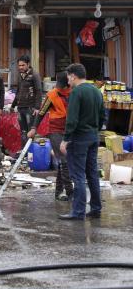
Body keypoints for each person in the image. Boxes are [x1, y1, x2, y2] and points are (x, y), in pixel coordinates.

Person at [59, 63, 105, 220]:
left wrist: (65, 140)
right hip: (93, 137)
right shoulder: (96, 91)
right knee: (92, 174)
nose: (68, 80)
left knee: (77, 175)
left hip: (79, 138)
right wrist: (95, 131)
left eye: (68, 77)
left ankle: (78, 212)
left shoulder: (76, 93)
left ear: (73, 75)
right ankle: (96, 209)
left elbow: (72, 119)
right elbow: (103, 116)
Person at [27, 72, 73, 201]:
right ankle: (70, 192)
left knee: (64, 162)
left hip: (69, 130)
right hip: (55, 131)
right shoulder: (52, 95)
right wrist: (33, 128)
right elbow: (41, 113)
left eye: (62, 86)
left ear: (68, 85)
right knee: (64, 159)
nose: (59, 88)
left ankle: (58, 192)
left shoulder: (73, 92)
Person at [11, 55, 42, 147]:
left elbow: (39, 91)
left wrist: (37, 107)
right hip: (21, 107)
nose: (20, 67)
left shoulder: (34, 75)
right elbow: (18, 91)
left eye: (23, 65)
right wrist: (13, 106)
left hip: (30, 107)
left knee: (30, 132)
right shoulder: (21, 75)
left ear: (28, 64)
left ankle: (31, 153)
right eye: (19, 65)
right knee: (23, 132)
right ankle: (24, 154)